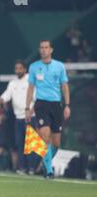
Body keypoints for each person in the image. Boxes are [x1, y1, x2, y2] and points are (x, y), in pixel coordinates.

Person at [26, 40, 70, 179]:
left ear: (51, 50)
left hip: (56, 105)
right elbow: (31, 88)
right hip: (41, 104)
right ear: (40, 50)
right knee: (45, 136)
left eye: (46, 47)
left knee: (56, 143)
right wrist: (27, 108)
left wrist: (67, 105)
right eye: (42, 48)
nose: (44, 50)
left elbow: (64, 86)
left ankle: (45, 164)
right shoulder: (33, 67)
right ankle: (49, 171)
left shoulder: (59, 66)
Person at [0, 60, 38, 174]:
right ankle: (22, 168)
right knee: (19, 143)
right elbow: (6, 96)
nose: (18, 70)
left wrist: (31, 112)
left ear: (25, 69)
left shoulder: (30, 81)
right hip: (18, 118)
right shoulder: (13, 83)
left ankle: (32, 168)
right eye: (16, 68)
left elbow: (37, 99)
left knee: (31, 144)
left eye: (20, 68)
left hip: (30, 117)